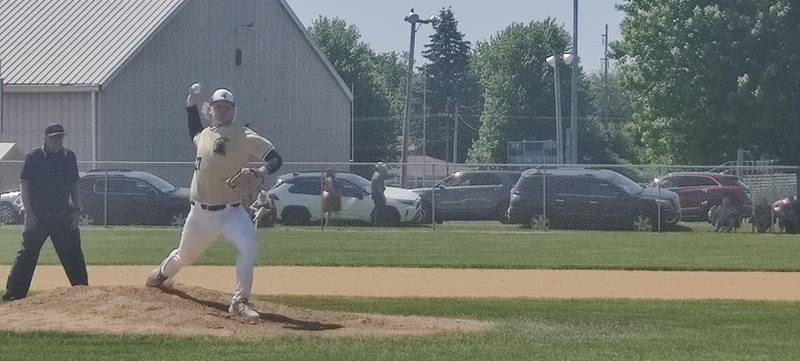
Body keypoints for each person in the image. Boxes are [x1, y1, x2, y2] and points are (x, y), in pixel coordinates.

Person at [146, 84, 283, 320]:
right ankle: (160, 274)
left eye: (227, 107)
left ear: (234, 111)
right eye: (218, 106)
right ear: (211, 110)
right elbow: (193, 130)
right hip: (199, 215)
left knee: (248, 246)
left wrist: (262, 170)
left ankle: (239, 301)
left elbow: (276, 158)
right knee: (185, 256)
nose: (222, 110)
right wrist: (190, 104)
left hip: (230, 213)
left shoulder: (245, 135)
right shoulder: (204, 135)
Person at [3, 124, 87, 301]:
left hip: (63, 213)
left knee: (73, 253)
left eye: (60, 137)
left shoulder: (69, 156)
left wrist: (78, 209)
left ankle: (83, 293)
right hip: (38, 214)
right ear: (46, 138)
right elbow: (24, 185)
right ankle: (13, 295)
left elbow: (74, 185)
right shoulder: (34, 157)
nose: (57, 141)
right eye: (54, 137)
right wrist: (29, 213)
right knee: (27, 254)